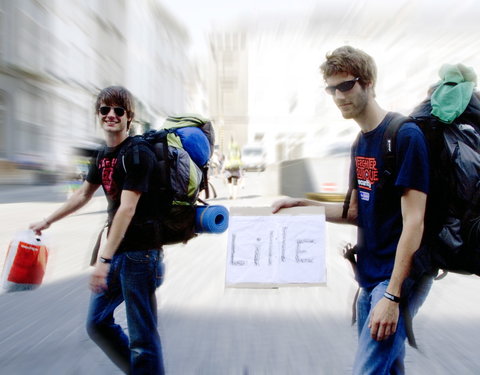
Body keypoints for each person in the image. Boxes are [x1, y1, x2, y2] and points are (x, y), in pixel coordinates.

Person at [272, 46, 432, 374]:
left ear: (368, 82)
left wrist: (392, 297)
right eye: (331, 89)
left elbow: (414, 222)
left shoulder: (405, 136)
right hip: (370, 276)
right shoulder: (361, 142)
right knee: (388, 368)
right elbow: (356, 212)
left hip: (396, 279)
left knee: (368, 369)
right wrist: (303, 205)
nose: (338, 96)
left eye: (346, 86)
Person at [29, 86, 165, 374]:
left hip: (140, 254)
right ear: (98, 115)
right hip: (117, 251)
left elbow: (127, 208)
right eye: (105, 110)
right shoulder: (103, 154)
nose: (111, 115)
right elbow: (82, 195)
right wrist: (48, 220)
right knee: (98, 323)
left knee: (142, 339)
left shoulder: (137, 153)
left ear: (130, 117)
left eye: (119, 110)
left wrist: (103, 261)